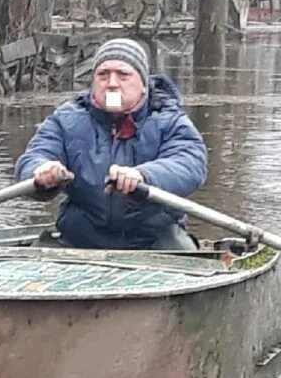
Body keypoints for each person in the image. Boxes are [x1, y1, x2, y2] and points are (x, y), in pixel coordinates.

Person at [15, 38, 207, 250]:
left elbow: (190, 164)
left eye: (123, 75)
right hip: (79, 238)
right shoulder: (65, 119)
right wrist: (40, 170)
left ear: (143, 84)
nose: (112, 83)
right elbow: (35, 156)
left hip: (152, 239)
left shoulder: (170, 120)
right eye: (103, 75)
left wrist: (144, 175)